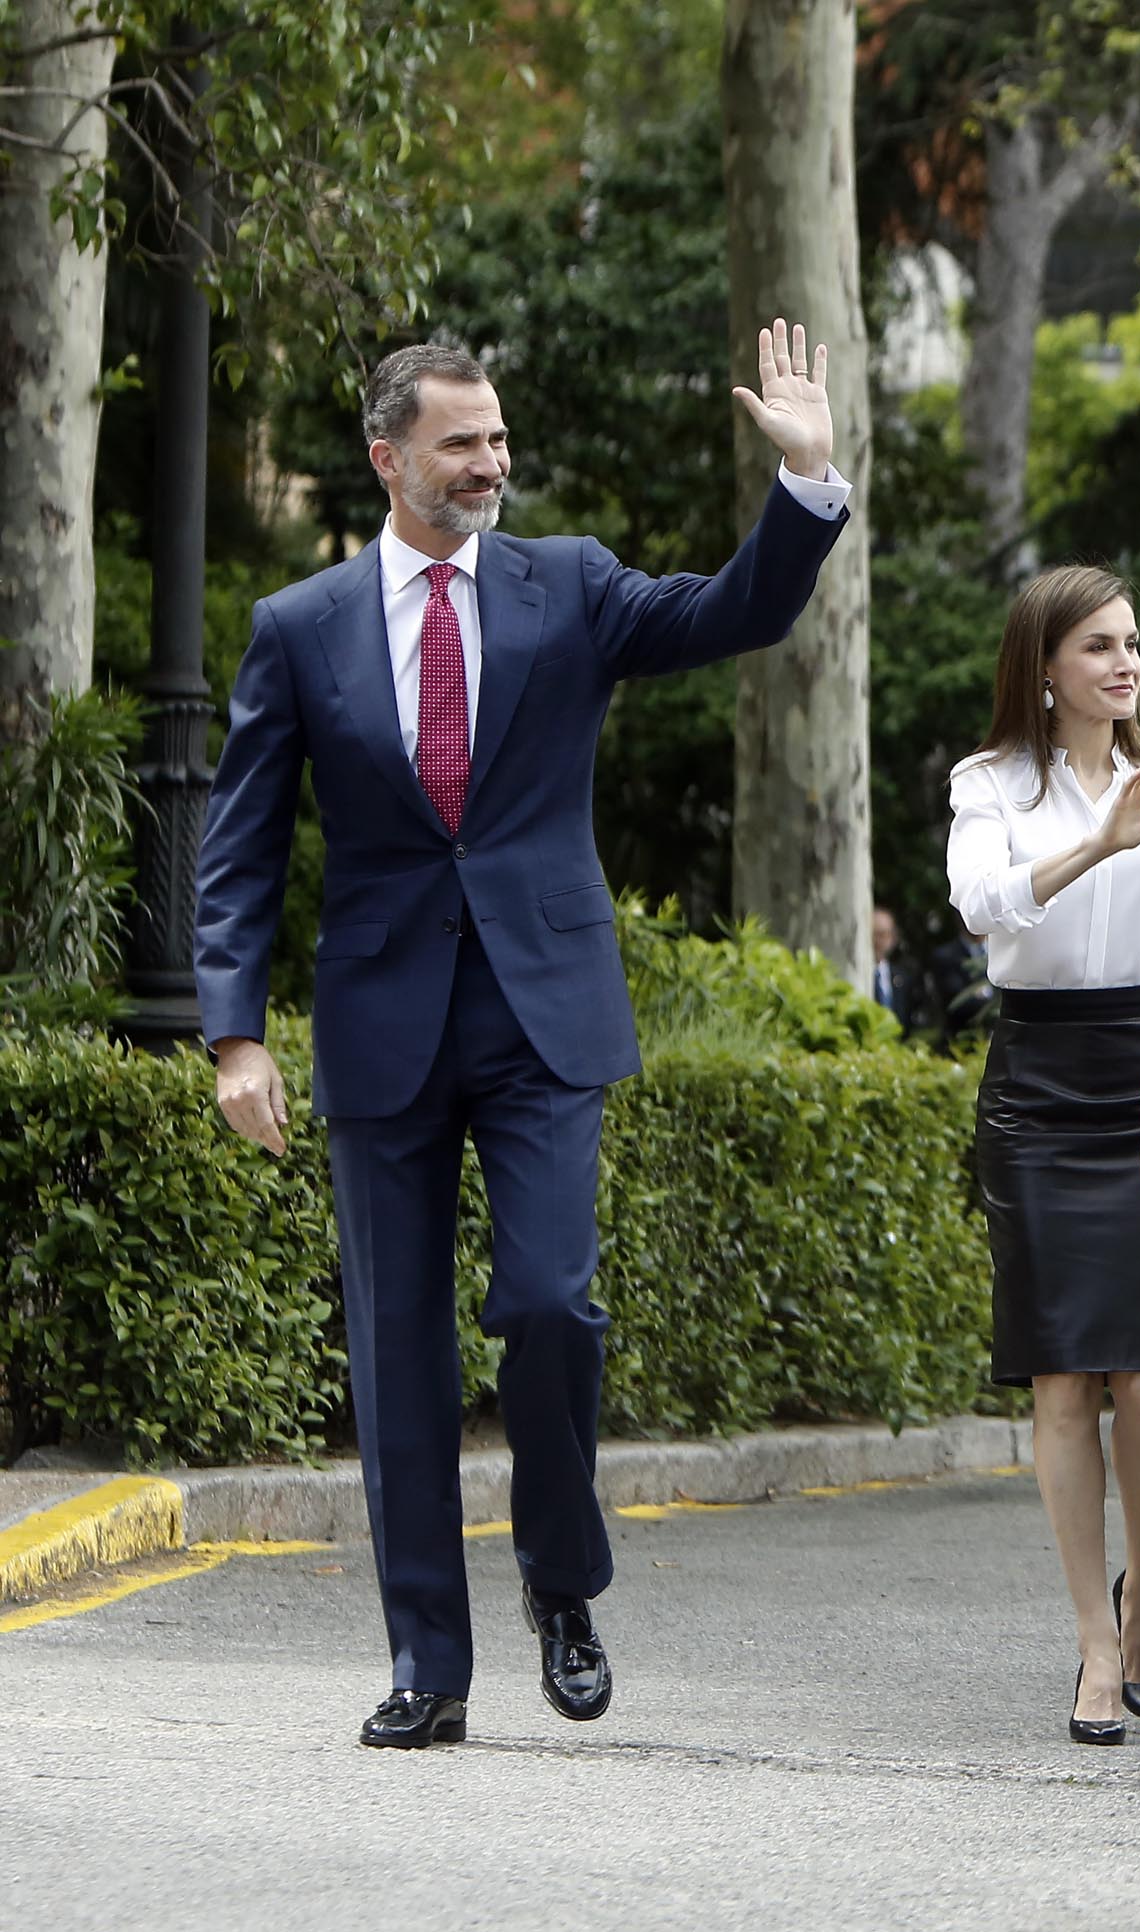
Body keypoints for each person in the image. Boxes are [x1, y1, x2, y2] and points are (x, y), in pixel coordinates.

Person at [194, 323, 852, 1750]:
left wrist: (803, 486)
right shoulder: (300, 627)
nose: (491, 464)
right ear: (390, 458)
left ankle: (563, 1583)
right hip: (380, 1028)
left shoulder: (570, 584)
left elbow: (733, 611)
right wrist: (235, 1036)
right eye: (461, 443)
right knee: (400, 1355)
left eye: (498, 440)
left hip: (544, 1011)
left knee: (551, 1303)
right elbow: (239, 847)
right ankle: (429, 1663)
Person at [944, 563, 1140, 1747]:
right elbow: (983, 905)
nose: (1126, 664)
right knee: (1062, 1378)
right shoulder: (990, 780)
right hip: (1043, 1088)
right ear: (1045, 666)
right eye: (1099, 646)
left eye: (1133, 644)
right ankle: (1095, 1650)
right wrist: (1098, 843)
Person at [869, 904, 913, 1032]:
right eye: (876, 934)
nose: (880, 941)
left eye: (885, 935)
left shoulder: (902, 977)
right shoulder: (858, 975)